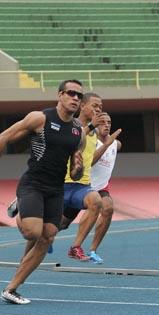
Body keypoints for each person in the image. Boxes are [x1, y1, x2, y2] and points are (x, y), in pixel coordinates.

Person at [0, 79, 85, 305]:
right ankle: (20, 205)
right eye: (72, 93)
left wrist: (78, 169)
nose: (76, 98)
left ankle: (12, 288)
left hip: (56, 189)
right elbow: (3, 137)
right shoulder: (40, 118)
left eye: (79, 96)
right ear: (60, 95)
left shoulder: (78, 133)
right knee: (32, 233)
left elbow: (74, 173)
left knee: (48, 237)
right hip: (33, 184)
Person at [59, 94, 120, 262]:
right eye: (95, 106)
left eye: (108, 122)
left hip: (88, 187)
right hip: (66, 183)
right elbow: (73, 144)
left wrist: (107, 141)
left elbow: (91, 159)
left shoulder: (104, 138)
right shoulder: (73, 126)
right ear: (82, 105)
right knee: (59, 225)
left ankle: (86, 249)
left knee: (103, 206)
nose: (98, 110)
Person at [84, 113, 122, 263]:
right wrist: (106, 144)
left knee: (108, 208)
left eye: (109, 122)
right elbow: (90, 162)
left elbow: (116, 146)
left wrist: (111, 143)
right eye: (102, 122)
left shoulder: (116, 144)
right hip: (81, 185)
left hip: (101, 188)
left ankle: (92, 250)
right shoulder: (89, 141)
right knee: (62, 223)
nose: (106, 125)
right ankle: (46, 237)